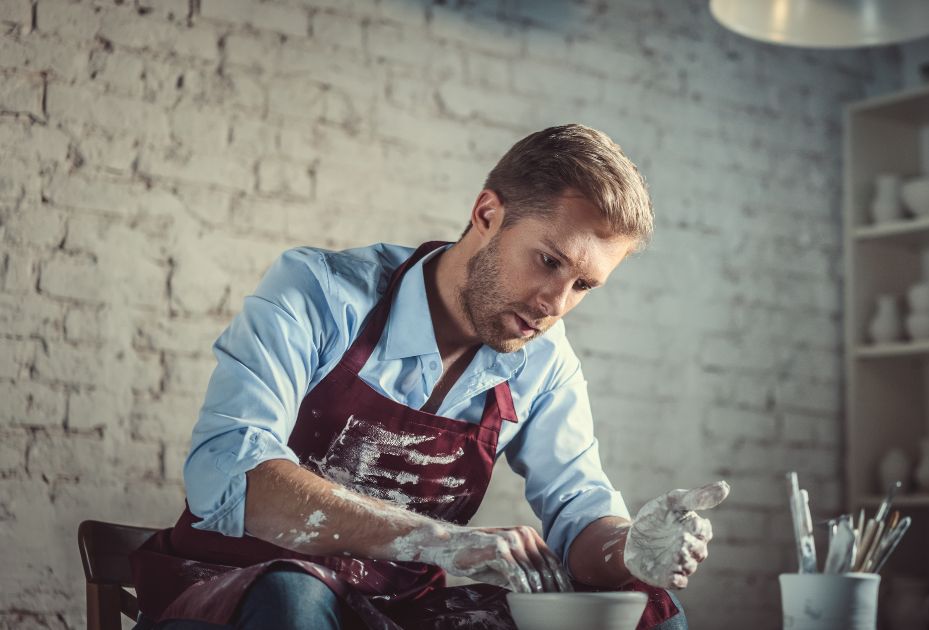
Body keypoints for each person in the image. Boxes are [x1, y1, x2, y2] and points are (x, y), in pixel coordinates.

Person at [129, 124, 730, 630]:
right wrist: (444, 541)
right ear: (488, 214)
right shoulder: (320, 292)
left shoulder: (544, 361)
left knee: (648, 608)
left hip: (393, 606)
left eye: (583, 286)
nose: (555, 302)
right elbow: (225, 473)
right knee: (296, 596)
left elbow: (580, 511)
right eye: (550, 262)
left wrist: (629, 549)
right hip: (232, 590)